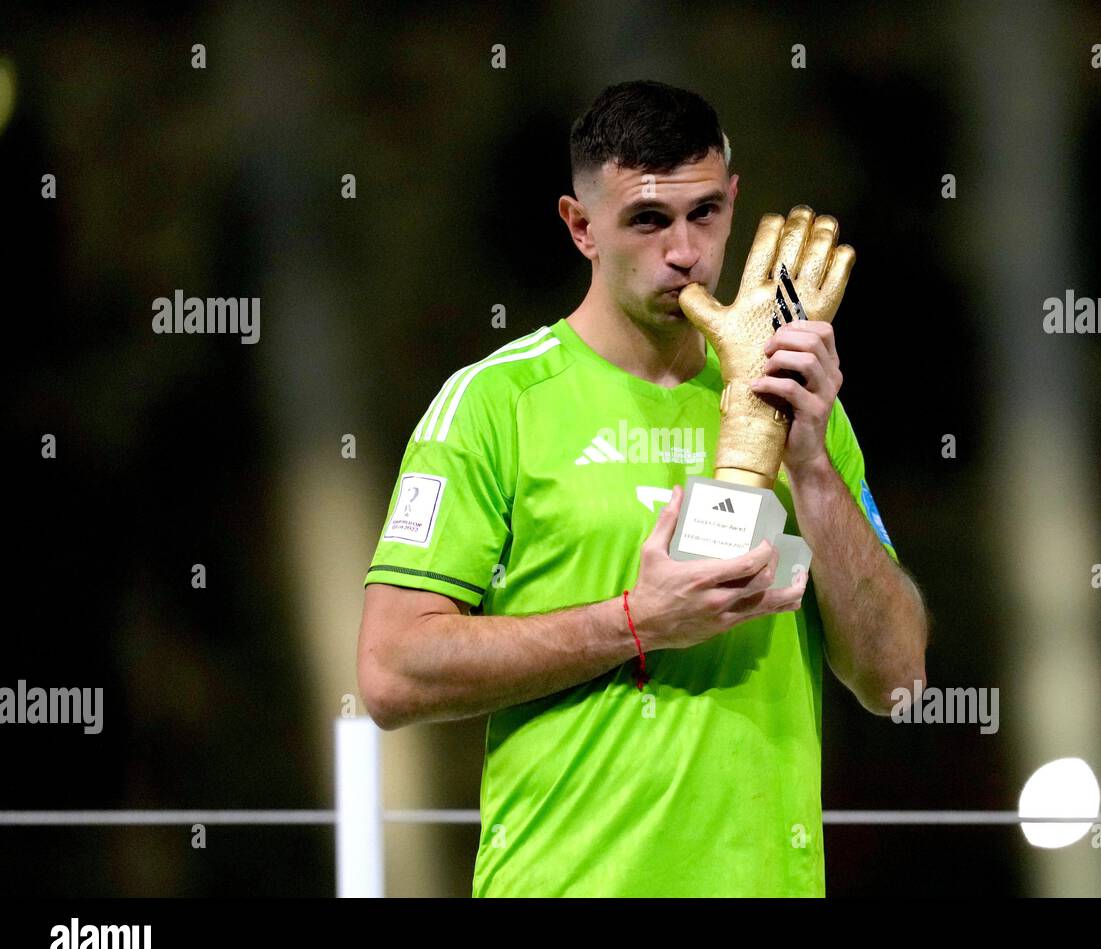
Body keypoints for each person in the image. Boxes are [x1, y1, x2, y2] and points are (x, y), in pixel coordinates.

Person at [356, 80, 928, 897]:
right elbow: (390, 674)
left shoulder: (800, 401)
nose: (686, 252)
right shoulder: (496, 403)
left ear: (734, 201)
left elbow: (898, 681)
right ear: (580, 226)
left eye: (704, 214)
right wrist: (637, 622)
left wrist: (809, 463)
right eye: (649, 220)